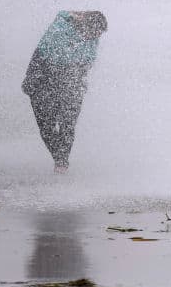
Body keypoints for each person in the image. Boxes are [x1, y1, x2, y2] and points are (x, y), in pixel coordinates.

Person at [21, 10, 108, 173]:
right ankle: (59, 159)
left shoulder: (92, 37)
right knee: (47, 126)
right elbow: (49, 58)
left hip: (71, 83)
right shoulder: (60, 30)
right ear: (84, 26)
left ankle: (62, 162)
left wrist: (78, 80)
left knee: (68, 124)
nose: (96, 37)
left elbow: (87, 62)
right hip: (43, 79)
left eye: (99, 34)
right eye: (94, 33)